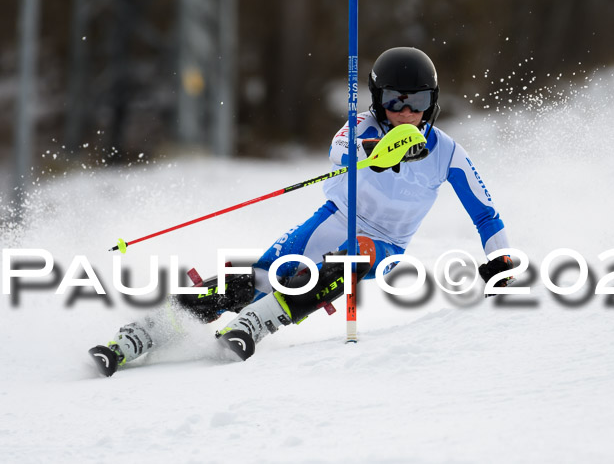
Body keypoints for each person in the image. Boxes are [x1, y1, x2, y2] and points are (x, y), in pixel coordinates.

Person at [89, 47, 513, 377]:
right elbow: (339, 150)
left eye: (417, 101)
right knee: (251, 280)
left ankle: (257, 324)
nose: (406, 112)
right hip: (332, 219)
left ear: (432, 102)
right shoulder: (361, 126)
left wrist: (500, 260)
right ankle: (141, 335)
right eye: (394, 100)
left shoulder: (449, 153)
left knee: (355, 255)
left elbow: (485, 213)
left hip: (384, 244)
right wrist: (375, 155)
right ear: (377, 100)